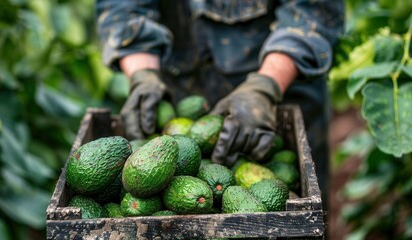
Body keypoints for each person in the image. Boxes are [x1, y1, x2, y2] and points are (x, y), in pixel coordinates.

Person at [95, 0, 344, 210]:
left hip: (281, 86)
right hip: (181, 90)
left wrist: (265, 87)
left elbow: (312, 11)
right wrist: (143, 75)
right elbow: (123, 6)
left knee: (303, 198)